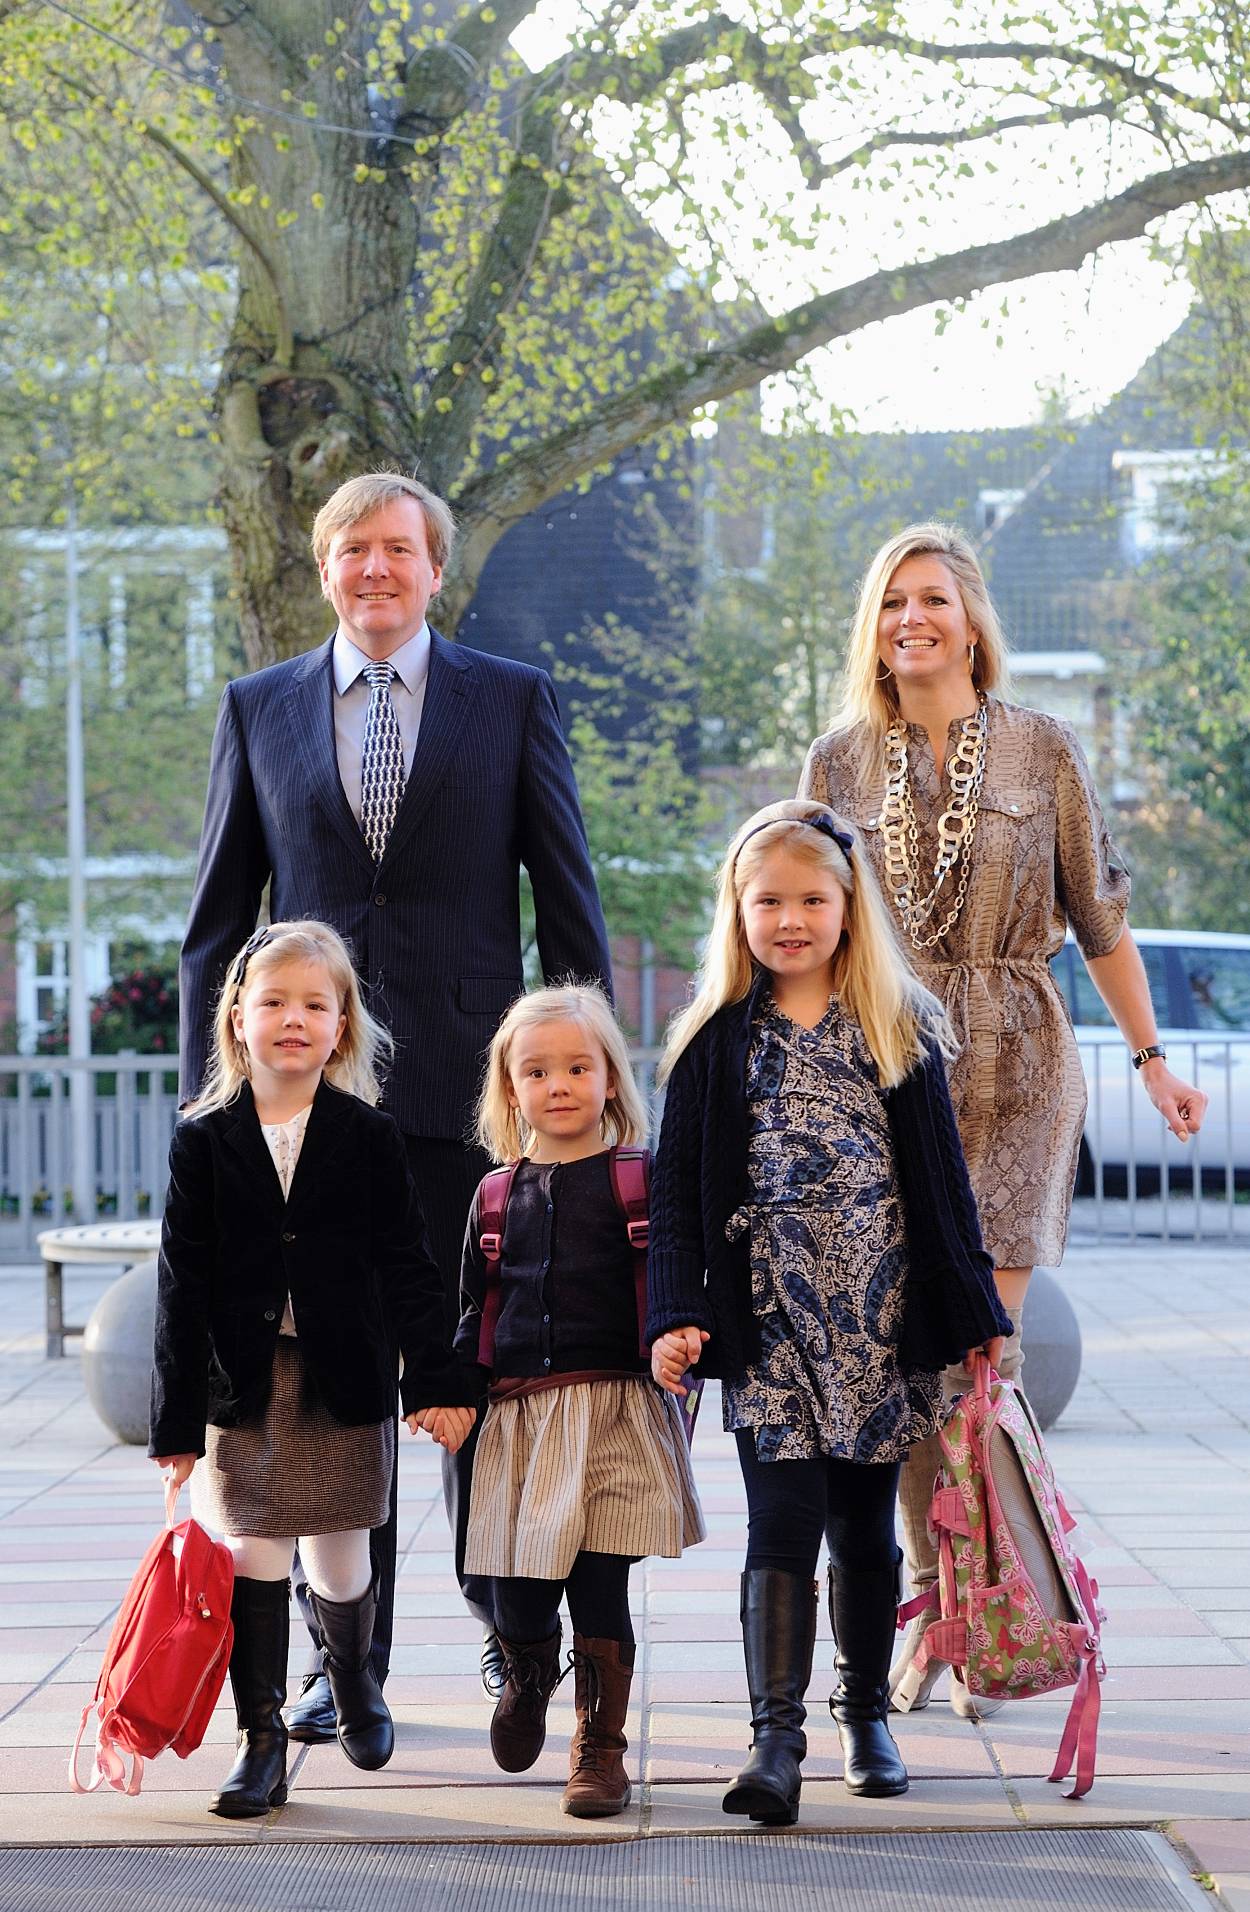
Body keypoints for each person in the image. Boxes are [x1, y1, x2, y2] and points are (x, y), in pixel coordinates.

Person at [177, 471, 613, 1735]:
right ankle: (344, 1659)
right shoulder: (257, 706)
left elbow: (566, 901)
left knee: (472, 1368)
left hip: (472, 1102)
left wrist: (578, 1096)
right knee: (330, 1380)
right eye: (352, 549)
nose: (375, 569)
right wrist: (214, 1111)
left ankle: (507, 1633)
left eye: (398, 549)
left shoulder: (509, 698)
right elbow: (218, 925)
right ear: (325, 568)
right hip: (307, 1117)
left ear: (435, 569)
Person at [798, 522, 1208, 1715]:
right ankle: (939, 1608)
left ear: (971, 617)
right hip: (887, 1069)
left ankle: (992, 1615)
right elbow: (803, 918)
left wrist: (1150, 1059)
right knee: (903, 1354)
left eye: (931, 598)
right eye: (891, 602)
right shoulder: (837, 760)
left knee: (978, 1351)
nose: (910, 619)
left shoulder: (1040, 747)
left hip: (1020, 1065)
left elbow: (1100, 920)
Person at [647, 801, 1010, 1822]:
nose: (791, 919)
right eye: (768, 901)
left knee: (860, 1526)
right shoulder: (714, 1042)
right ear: (737, 910)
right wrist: (674, 1310)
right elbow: (674, 1198)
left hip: (879, 1325)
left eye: (812, 899)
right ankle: (774, 1740)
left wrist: (973, 1306)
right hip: (768, 1325)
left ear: (849, 907)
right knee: (780, 1523)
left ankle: (863, 1715)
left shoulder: (896, 1026)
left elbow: (941, 1187)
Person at [149, 920, 477, 1819]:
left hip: (343, 1380)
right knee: (252, 1554)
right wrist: (174, 1429)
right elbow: (180, 1287)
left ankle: (354, 1676)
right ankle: (259, 1740)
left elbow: (409, 1265)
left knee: (339, 1558)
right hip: (243, 1387)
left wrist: (436, 1381)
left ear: (341, 1026)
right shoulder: (203, 1138)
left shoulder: (368, 1135)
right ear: (238, 1020)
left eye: (314, 1005)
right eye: (274, 1002)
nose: (293, 1019)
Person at [454, 984, 704, 1818]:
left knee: (601, 1585)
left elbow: (675, 1279)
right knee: (518, 1591)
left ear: (609, 1078)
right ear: (509, 1087)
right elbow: (475, 1310)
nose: (557, 1085)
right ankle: (527, 1672)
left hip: (617, 1414)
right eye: (536, 1071)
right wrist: (452, 1394)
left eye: (576, 1068)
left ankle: (600, 1749)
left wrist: (679, 1338)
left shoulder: (641, 1178)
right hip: (522, 1419)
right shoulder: (495, 1194)